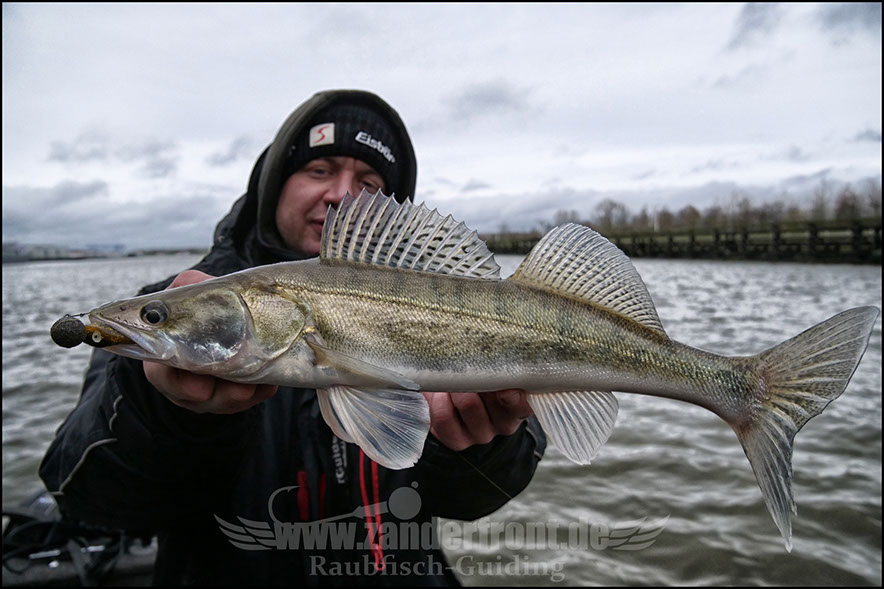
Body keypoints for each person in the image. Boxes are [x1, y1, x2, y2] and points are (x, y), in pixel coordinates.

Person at [40, 89, 547, 586]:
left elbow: (474, 501)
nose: (341, 193)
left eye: (368, 179)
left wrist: (480, 446)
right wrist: (170, 417)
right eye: (320, 170)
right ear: (274, 184)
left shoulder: (461, 298)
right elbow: (85, 495)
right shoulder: (174, 301)